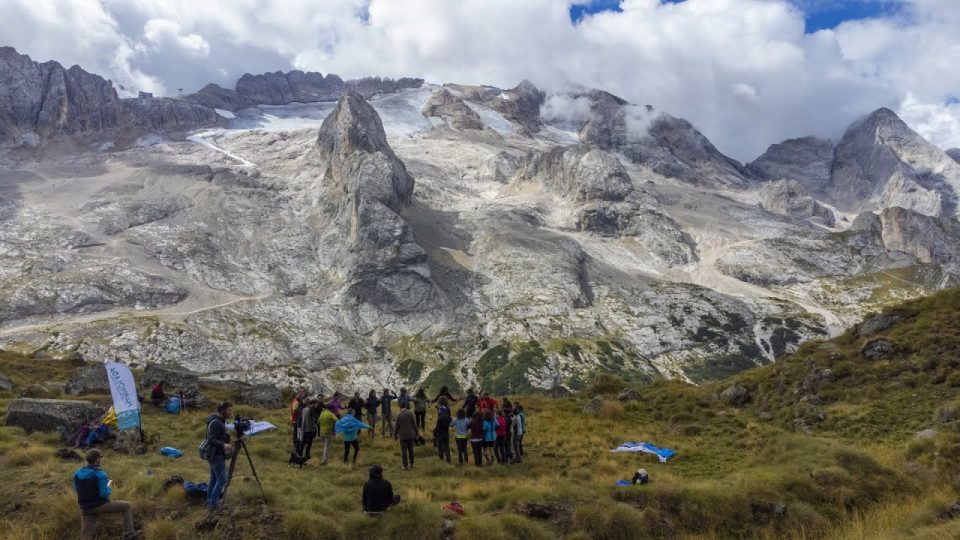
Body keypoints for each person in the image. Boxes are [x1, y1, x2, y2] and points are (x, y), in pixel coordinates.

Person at [74, 448, 139, 540]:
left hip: (85, 508)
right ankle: (128, 534)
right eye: (101, 456)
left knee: (86, 534)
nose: (101, 458)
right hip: (99, 505)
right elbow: (104, 494)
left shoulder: (77, 473)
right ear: (97, 459)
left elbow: (76, 488)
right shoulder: (100, 474)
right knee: (127, 506)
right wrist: (108, 486)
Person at [204, 401, 233, 511]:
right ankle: (213, 504)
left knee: (214, 478)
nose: (231, 412)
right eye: (229, 410)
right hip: (216, 454)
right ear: (222, 411)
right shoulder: (217, 422)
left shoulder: (219, 420)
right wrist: (223, 444)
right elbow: (210, 439)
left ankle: (210, 501)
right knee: (222, 480)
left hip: (213, 454)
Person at [394, 401, 418, 470]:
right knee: (411, 450)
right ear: (406, 406)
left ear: (400, 407)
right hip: (411, 435)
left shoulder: (398, 415)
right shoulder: (410, 413)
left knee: (404, 451)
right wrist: (416, 432)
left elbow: (396, 427)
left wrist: (395, 434)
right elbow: (414, 424)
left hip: (403, 435)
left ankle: (405, 466)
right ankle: (412, 464)